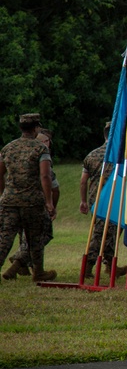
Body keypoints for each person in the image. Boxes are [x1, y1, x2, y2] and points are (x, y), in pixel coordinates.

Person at [0, 113, 57, 282]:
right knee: (35, 239)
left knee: (5, 237)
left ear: (21, 128)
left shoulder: (8, 148)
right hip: (32, 202)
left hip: (9, 201)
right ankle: (38, 272)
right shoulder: (41, 149)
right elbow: (45, 176)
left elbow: (0, 173)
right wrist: (48, 202)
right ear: (36, 128)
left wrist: (3, 194)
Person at [77, 122, 126, 279]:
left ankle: (111, 267)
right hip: (112, 200)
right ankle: (88, 267)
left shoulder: (92, 155)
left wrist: (83, 201)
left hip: (95, 201)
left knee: (108, 234)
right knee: (101, 235)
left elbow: (83, 181)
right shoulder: (121, 157)